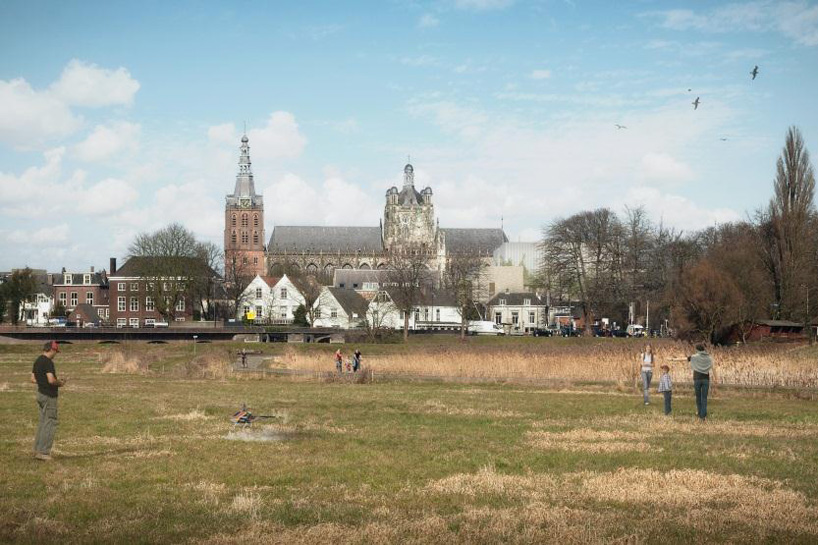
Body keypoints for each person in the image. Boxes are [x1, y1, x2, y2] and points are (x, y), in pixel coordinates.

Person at [30, 340, 65, 461]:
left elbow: (33, 379)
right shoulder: (48, 362)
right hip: (49, 396)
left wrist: (43, 382)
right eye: (56, 351)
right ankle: (44, 452)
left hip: (40, 394)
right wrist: (60, 383)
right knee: (50, 422)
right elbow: (51, 380)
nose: (56, 354)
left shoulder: (38, 360)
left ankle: (36, 450)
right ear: (51, 349)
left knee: (43, 422)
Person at [688, 344, 713, 421]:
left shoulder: (695, 357)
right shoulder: (708, 357)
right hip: (706, 379)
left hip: (697, 379)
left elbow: (686, 359)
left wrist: (672, 359)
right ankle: (703, 415)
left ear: (697, 350)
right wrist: (716, 378)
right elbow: (712, 367)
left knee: (698, 397)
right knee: (704, 398)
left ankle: (699, 413)